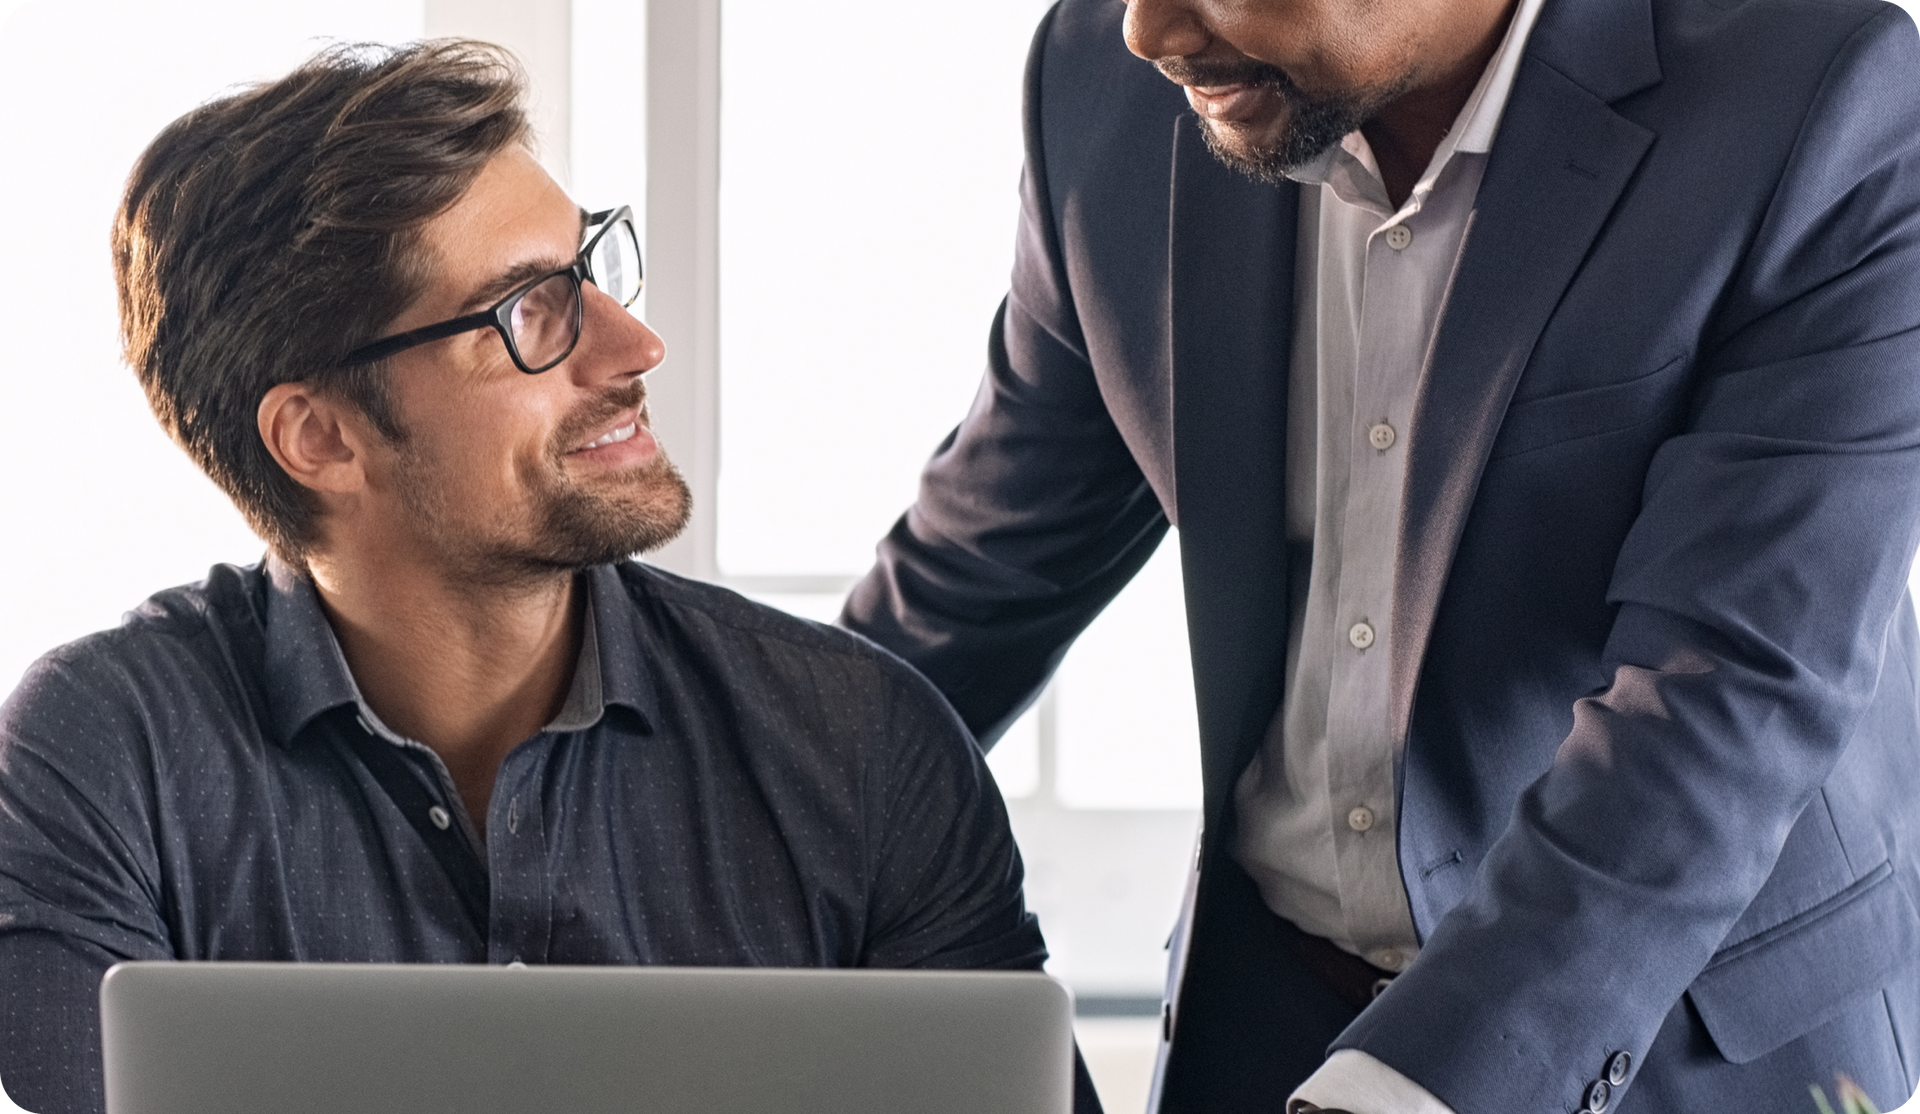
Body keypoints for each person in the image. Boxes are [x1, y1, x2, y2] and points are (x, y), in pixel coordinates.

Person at [839, 0, 1920, 1110]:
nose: (1146, 32)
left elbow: (1729, 691)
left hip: (1672, 1034)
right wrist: (705, 783)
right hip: (1265, 1021)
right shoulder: (1103, 84)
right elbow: (980, 574)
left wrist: (1407, 1081)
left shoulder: (1826, 83)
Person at [0, 41, 1088, 1114]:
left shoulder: (865, 747)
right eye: (529, 311)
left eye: (591, 268)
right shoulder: (102, 760)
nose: (633, 345)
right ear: (321, 437)